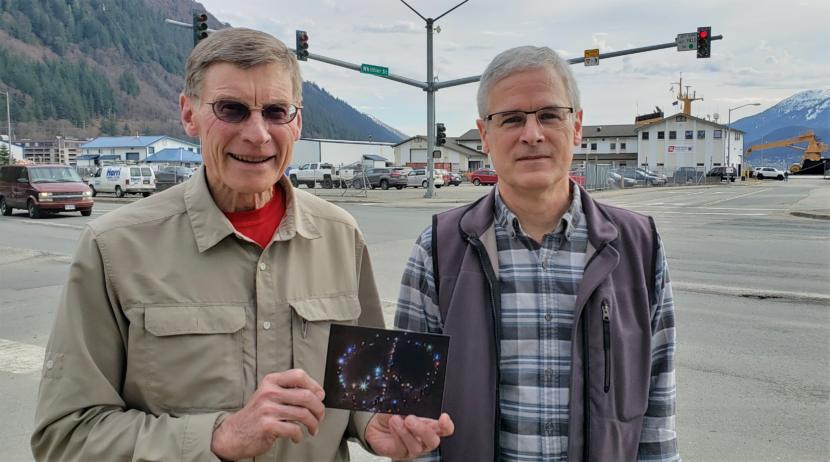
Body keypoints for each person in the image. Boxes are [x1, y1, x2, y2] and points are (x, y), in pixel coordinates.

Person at [31, 28, 452, 462]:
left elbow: (365, 387)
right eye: (231, 110)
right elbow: (65, 435)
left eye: (276, 111)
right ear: (188, 114)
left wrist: (377, 423)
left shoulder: (340, 235)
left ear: (298, 121)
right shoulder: (114, 247)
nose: (257, 133)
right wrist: (216, 437)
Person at [396, 46, 678, 461]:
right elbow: (410, 413)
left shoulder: (639, 246)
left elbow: (657, 412)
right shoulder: (436, 250)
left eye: (549, 114)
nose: (532, 134)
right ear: (485, 135)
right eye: (511, 118)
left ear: (577, 125)